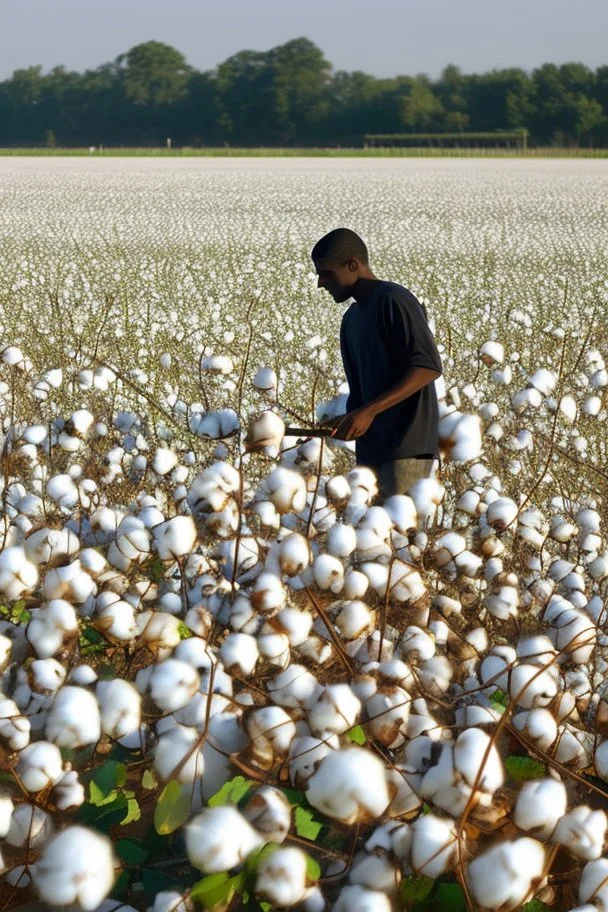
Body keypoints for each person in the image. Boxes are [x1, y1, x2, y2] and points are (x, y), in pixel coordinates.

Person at [311, 227, 442, 499]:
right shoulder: (351, 320)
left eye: (326, 273)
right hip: (372, 456)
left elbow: (428, 366)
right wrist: (348, 420)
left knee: (400, 539)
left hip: (408, 453)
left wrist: (368, 412)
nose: (321, 283)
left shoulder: (394, 299)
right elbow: (362, 396)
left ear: (352, 265)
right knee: (375, 541)